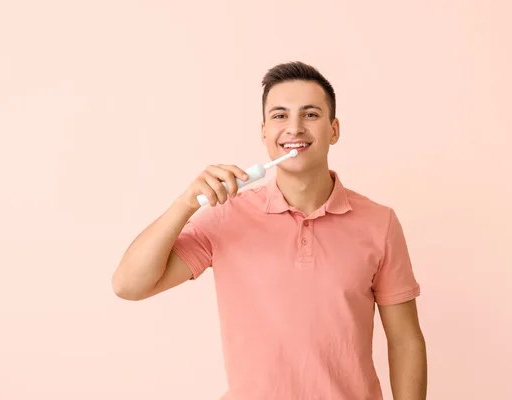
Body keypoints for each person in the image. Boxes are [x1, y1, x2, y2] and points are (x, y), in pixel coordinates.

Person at [112, 61, 427, 400]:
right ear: (264, 132)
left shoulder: (379, 223)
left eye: (310, 115)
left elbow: (405, 340)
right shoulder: (225, 216)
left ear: (334, 130)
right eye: (279, 116)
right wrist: (187, 203)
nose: (294, 128)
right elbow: (129, 285)